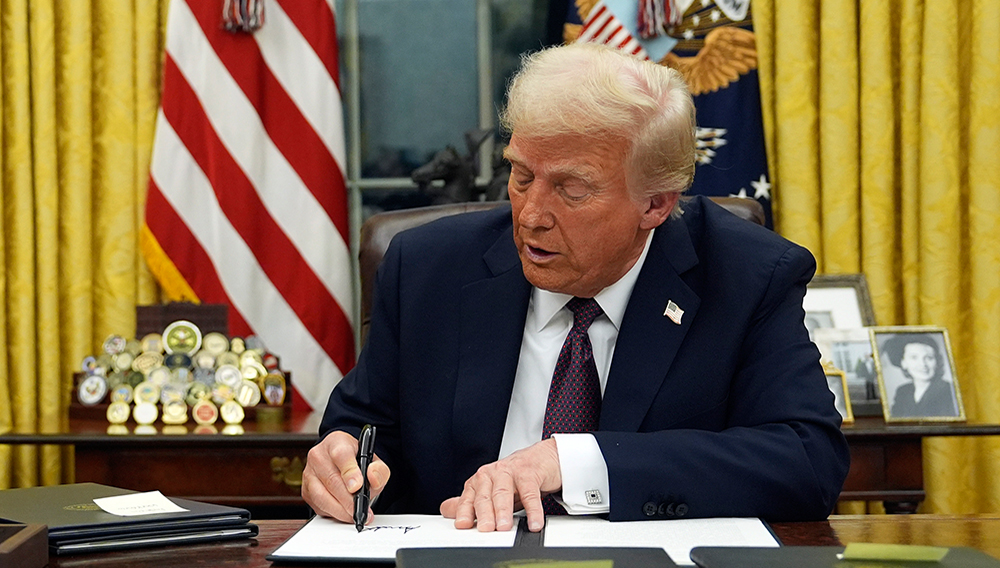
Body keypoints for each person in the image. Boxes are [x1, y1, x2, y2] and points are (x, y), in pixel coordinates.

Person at [302, 42, 850, 533]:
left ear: (655, 204)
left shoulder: (746, 275)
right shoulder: (428, 268)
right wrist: (342, 460)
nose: (532, 215)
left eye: (572, 189)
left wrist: (576, 462)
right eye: (520, 175)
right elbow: (363, 428)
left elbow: (805, 461)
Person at [883, 335, 958, 418]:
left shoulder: (949, 390)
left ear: (937, 362)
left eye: (929, 358)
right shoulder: (902, 391)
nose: (923, 364)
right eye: (914, 357)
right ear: (903, 363)